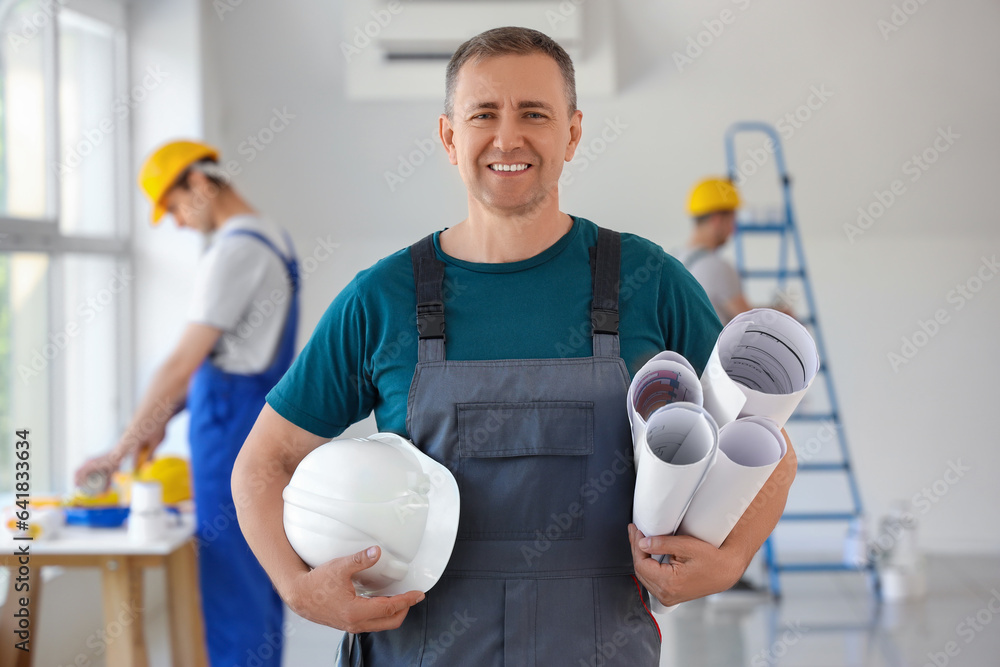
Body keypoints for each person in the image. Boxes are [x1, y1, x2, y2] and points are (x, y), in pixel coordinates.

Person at [232, 27, 797, 665]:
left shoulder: (649, 281)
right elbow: (264, 461)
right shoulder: (381, 298)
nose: (508, 138)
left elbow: (770, 450)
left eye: (534, 114)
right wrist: (296, 587)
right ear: (449, 136)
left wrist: (730, 561)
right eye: (483, 115)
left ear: (573, 133)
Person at [75, 140, 297, 667]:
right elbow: (228, 354)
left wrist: (118, 449)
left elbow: (182, 363)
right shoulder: (273, 238)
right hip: (254, 430)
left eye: (173, 206)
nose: (174, 222)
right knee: (257, 579)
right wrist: (163, 419)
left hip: (230, 441)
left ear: (199, 183)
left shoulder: (236, 250)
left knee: (230, 588)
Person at [674, 178, 791, 324]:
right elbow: (748, 320)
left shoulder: (673, 259)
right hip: (714, 347)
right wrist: (781, 314)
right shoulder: (717, 266)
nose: (733, 230)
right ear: (717, 219)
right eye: (731, 221)